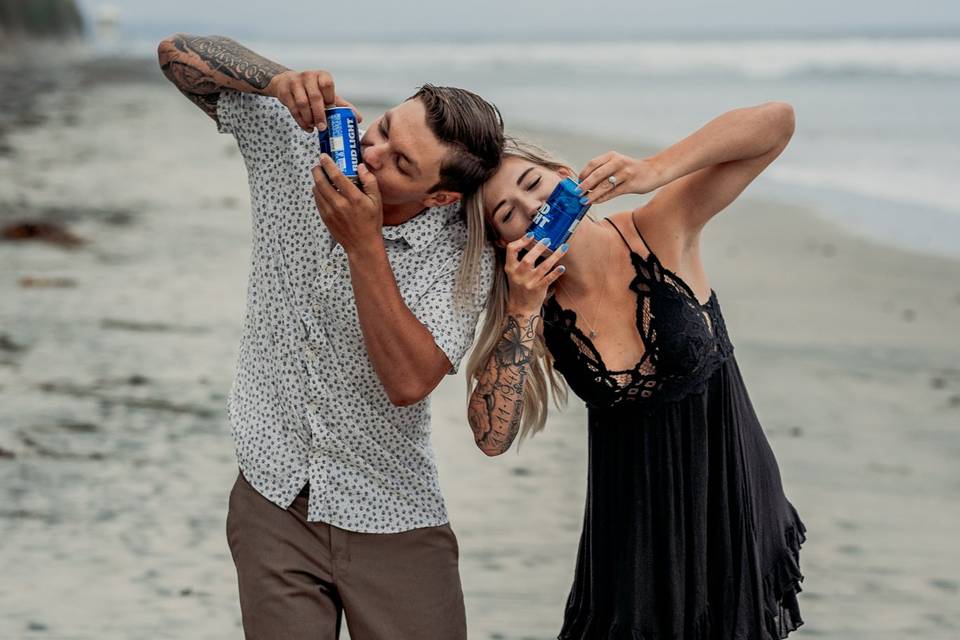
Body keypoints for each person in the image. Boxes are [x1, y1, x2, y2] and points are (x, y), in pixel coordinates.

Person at [157, 33, 503, 639]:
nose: (372, 154)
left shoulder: (463, 255)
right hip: (272, 493)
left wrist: (363, 242)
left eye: (401, 164)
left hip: (393, 513)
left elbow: (407, 381)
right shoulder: (298, 147)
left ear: (440, 195)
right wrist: (274, 80)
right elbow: (177, 55)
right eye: (387, 128)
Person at [465, 103, 806, 639]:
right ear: (504, 243)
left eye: (534, 184)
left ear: (562, 175)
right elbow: (490, 436)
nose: (532, 207)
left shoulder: (658, 228)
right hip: (633, 543)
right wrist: (522, 312)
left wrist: (655, 170)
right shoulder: (534, 310)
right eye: (508, 214)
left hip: (727, 502)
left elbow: (777, 124)